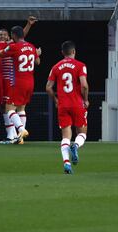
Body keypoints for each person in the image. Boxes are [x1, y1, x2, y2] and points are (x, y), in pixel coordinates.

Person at [0, 25, 41, 144]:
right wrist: (38, 53)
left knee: (9, 108)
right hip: (30, 81)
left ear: (13, 36)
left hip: (18, 82)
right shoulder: (31, 46)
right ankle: (19, 138)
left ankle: (21, 130)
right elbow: (38, 61)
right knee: (22, 108)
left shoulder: (14, 47)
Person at [46, 41, 89, 174]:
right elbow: (84, 85)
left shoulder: (56, 67)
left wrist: (56, 99)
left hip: (63, 105)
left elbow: (48, 88)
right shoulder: (80, 65)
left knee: (65, 136)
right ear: (74, 52)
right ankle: (75, 146)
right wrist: (86, 100)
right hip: (77, 104)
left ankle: (66, 163)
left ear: (62, 53)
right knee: (82, 133)